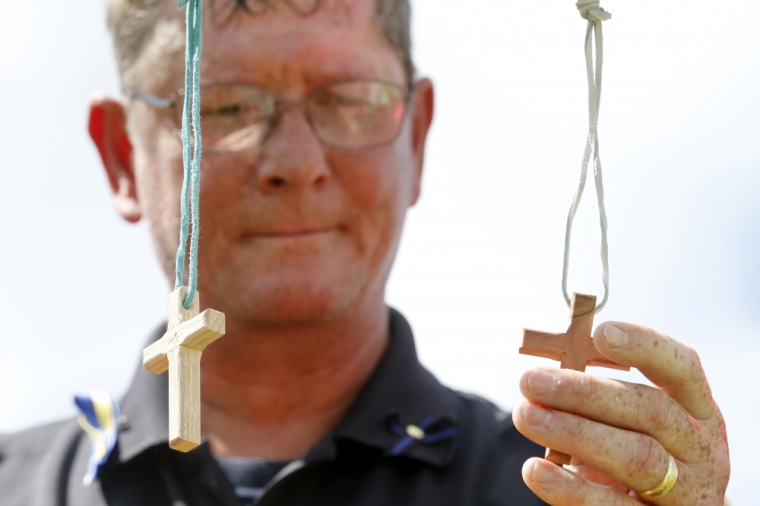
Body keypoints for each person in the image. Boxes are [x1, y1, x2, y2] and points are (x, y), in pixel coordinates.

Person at [0, 0, 730, 504]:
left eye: (348, 98)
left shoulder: (556, 493)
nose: (296, 161)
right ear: (122, 154)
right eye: (224, 105)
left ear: (415, 139)